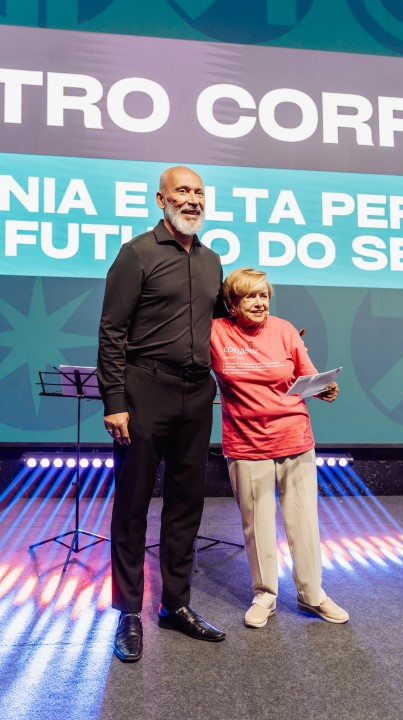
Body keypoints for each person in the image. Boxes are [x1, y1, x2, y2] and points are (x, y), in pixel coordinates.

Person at [97, 165, 227, 663]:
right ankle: (129, 611)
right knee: (132, 504)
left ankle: (175, 604)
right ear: (161, 199)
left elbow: (221, 324)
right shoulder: (137, 253)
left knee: (186, 504)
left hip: (197, 394)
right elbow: (112, 331)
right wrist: (115, 401)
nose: (192, 199)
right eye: (183, 191)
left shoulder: (212, 260)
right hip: (145, 389)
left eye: (199, 192)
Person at [210, 268, 349, 628]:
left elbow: (309, 376)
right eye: (250, 296)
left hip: (293, 436)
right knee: (256, 525)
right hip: (245, 442)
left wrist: (325, 389)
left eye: (264, 295)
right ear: (232, 303)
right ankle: (265, 595)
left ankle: (312, 594)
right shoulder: (215, 332)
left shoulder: (285, 330)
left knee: (303, 520)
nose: (259, 303)